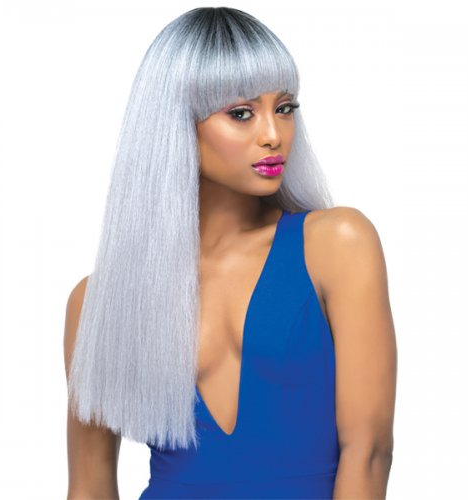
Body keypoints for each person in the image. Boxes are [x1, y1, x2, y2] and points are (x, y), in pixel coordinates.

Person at [64, 7, 397, 499]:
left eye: (285, 107)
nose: (273, 134)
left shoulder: (337, 245)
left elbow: (369, 452)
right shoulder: (99, 301)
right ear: (176, 125)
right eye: (241, 113)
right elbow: (89, 485)